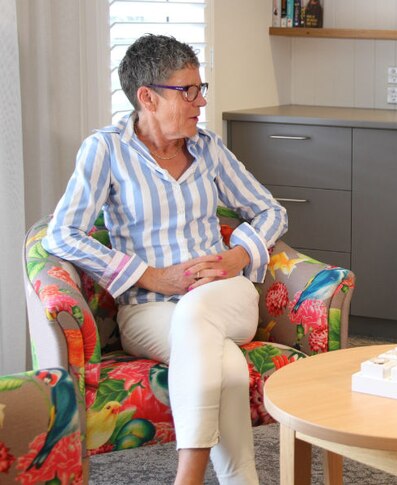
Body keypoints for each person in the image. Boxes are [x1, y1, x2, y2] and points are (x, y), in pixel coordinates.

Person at [43, 34, 287, 485]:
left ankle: (187, 478)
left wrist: (238, 256)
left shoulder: (209, 148)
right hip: (148, 311)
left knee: (199, 310)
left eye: (201, 88)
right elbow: (62, 234)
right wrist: (151, 275)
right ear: (147, 97)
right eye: (188, 90)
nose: (201, 101)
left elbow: (271, 210)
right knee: (228, 367)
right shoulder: (106, 151)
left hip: (226, 297)